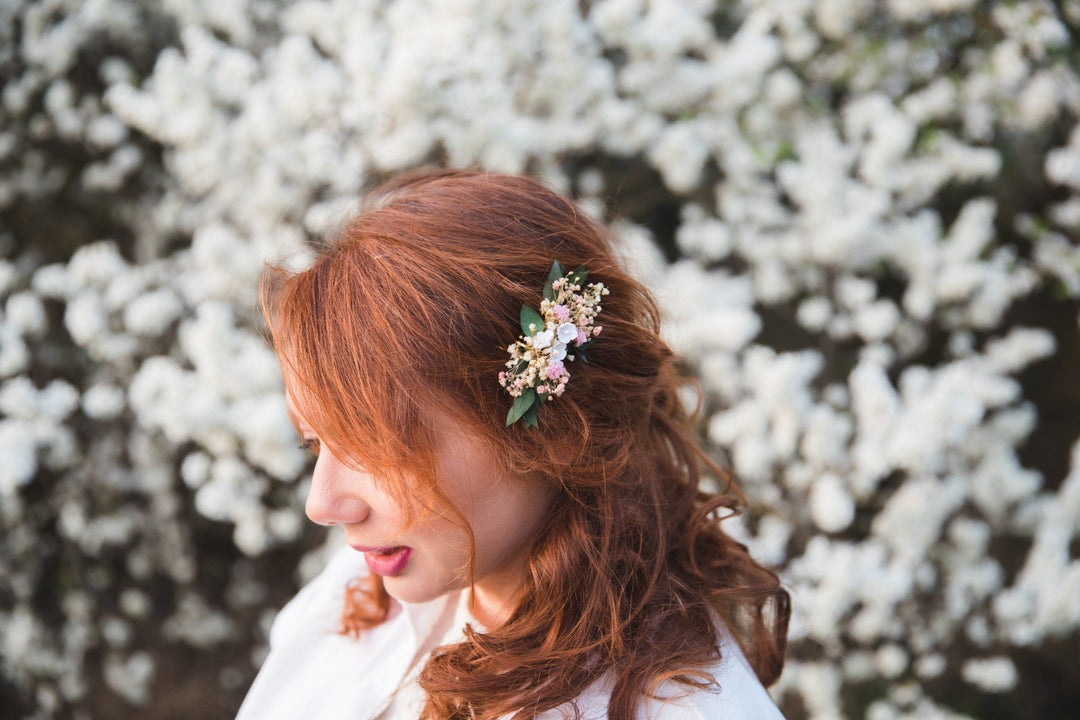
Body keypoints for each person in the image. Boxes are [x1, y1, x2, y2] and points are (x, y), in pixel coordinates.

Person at [237, 170, 790, 719]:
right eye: (315, 443)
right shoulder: (355, 597)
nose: (323, 505)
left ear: (555, 431)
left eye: (375, 446)